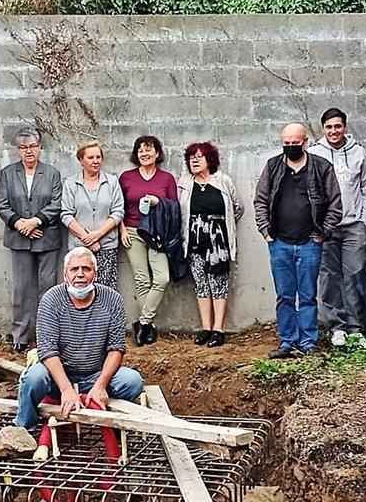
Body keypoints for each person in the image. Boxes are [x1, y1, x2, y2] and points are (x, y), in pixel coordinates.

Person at [15, 247, 144, 429]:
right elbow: (47, 351)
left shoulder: (112, 299)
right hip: (57, 377)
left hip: (94, 375)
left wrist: (100, 385)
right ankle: (24, 429)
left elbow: (116, 348)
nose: (80, 274)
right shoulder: (51, 300)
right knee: (34, 378)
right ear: (65, 275)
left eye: (86, 269)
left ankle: (111, 422)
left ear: (96, 274)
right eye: (74, 269)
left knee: (132, 381)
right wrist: (67, 389)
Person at [254, 123, 343, 359]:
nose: (291, 147)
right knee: (284, 295)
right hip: (280, 242)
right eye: (286, 144)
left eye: (295, 143)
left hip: (310, 242)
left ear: (305, 142)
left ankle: (308, 342)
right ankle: (287, 341)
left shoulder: (322, 167)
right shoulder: (273, 167)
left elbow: (335, 204)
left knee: (307, 295)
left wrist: (324, 231)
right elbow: (260, 200)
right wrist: (266, 231)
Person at [307, 108, 366, 349]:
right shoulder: (314, 154)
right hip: (325, 229)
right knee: (328, 278)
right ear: (323, 129)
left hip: (353, 228)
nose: (334, 131)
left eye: (338, 126)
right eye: (329, 127)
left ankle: (356, 328)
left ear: (345, 127)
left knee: (354, 276)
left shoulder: (358, 153)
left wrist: (363, 219)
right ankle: (337, 327)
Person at [0, 127, 64, 353]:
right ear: (18, 150)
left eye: (33, 147)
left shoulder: (52, 173)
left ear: (40, 148)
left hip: (47, 238)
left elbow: (56, 204)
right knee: (21, 289)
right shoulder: (8, 173)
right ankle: (20, 336)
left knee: (48, 289)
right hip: (18, 239)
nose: (29, 152)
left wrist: (35, 222)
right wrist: (20, 224)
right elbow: (3, 206)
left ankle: (47, 335)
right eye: (24, 148)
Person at [177, 141, 244, 347]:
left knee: (219, 285)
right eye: (191, 158)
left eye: (199, 157)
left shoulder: (223, 181)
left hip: (218, 241)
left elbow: (238, 207)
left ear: (210, 159)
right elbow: (181, 211)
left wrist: (220, 227)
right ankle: (206, 328)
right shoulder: (185, 183)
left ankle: (218, 329)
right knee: (201, 284)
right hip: (195, 239)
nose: (194, 161)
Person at [118, 135, 178, 346]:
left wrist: (157, 201)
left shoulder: (167, 179)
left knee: (162, 278)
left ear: (157, 153)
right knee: (142, 279)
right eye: (141, 150)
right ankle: (149, 329)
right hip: (133, 231)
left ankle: (143, 323)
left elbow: (174, 209)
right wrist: (122, 230)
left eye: (149, 150)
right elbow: (118, 208)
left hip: (157, 234)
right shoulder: (126, 177)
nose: (144, 154)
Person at [61, 140, 125, 290]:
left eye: (98, 157)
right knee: (80, 289)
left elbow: (118, 211)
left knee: (106, 290)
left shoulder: (112, 182)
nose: (96, 161)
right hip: (79, 248)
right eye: (90, 158)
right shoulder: (71, 184)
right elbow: (66, 215)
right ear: (81, 160)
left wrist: (98, 235)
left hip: (107, 246)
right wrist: (87, 238)